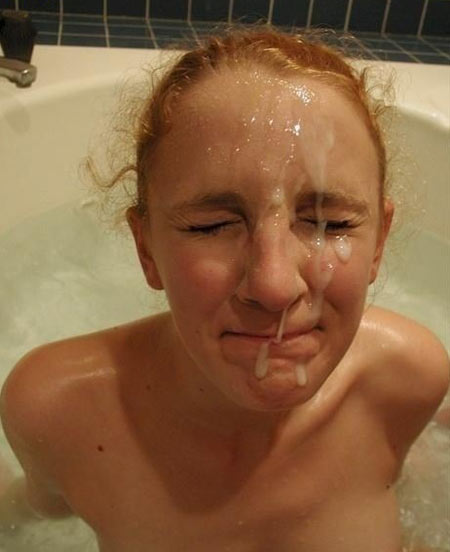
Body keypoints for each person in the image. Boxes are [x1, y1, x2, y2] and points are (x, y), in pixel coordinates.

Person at [0, 28, 448, 552]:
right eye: (212, 226)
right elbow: (35, 509)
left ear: (379, 243)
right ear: (146, 249)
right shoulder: (61, 413)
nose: (274, 286)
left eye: (331, 223)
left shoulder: (410, 381)